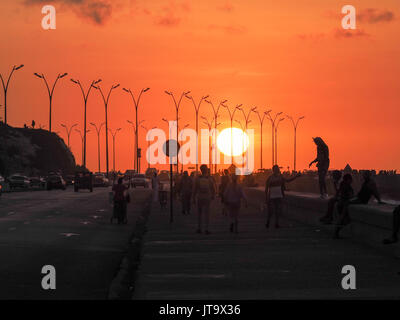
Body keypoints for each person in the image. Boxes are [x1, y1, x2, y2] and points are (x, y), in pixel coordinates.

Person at [192, 164, 215, 234]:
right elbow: (213, 188)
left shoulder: (198, 178)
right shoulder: (209, 178)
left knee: (199, 214)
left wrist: (193, 197)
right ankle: (207, 229)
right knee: (207, 214)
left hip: (200, 197)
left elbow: (195, 189)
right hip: (207, 197)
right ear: (206, 170)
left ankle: (199, 228)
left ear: (201, 170)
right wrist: (213, 195)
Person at [332, 174, 355, 238]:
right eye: (350, 179)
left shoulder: (342, 184)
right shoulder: (347, 187)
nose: (351, 181)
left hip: (340, 203)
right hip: (344, 205)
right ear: (348, 180)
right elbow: (350, 196)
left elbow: (338, 192)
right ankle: (336, 232)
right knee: (344, 219)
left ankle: (336, 232)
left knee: (342, 219)